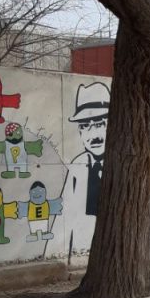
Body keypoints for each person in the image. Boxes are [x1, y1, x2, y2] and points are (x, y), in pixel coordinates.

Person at [61, 81, 109, 254]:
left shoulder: (125, 163)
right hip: (83, 243)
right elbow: (63, 219)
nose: (93, 135)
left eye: (99, 124)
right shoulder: (77, 167)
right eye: (84, 126)